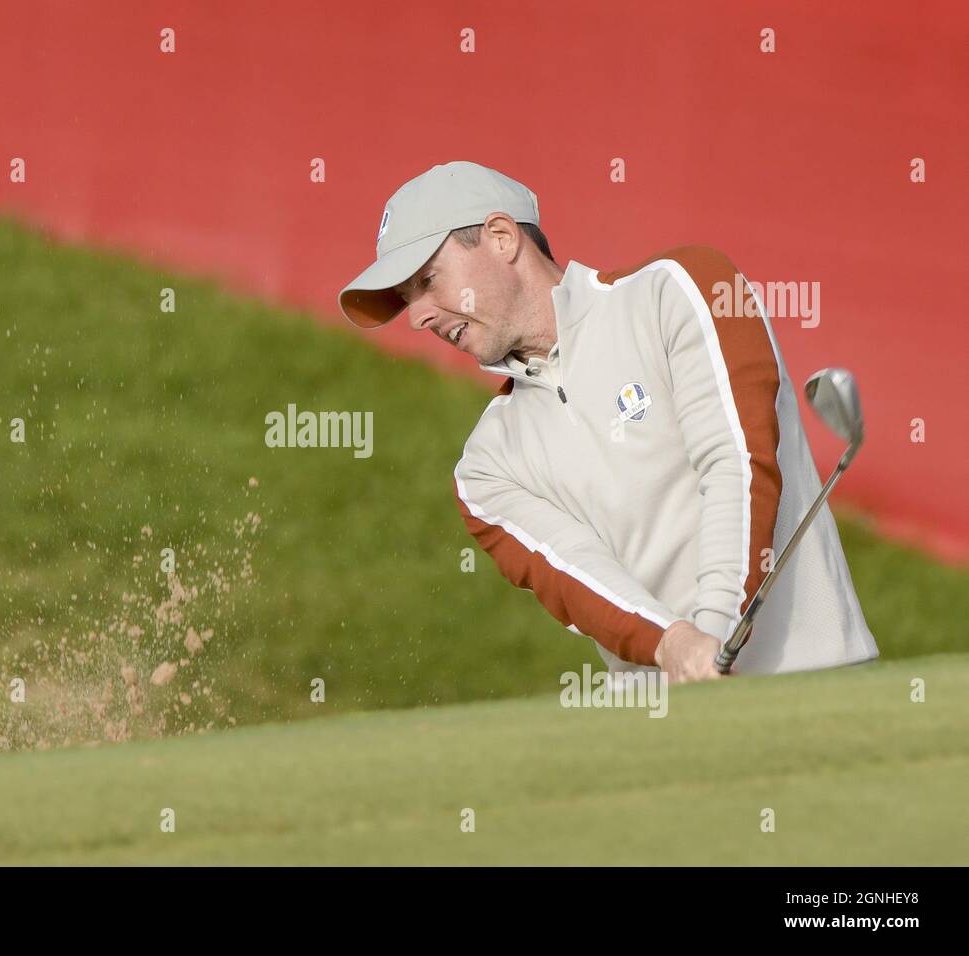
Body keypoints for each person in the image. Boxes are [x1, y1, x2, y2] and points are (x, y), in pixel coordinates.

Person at [338, 161, 878, 684]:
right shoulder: (484, 469)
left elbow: (737, 463)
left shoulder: (682, 289)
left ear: (502, 238)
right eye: (408, 300)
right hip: (663, 740)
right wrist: (676, 645)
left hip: (821, 688)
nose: (417, 317)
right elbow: (581, 580)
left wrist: (713, 631)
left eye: (428, 281)